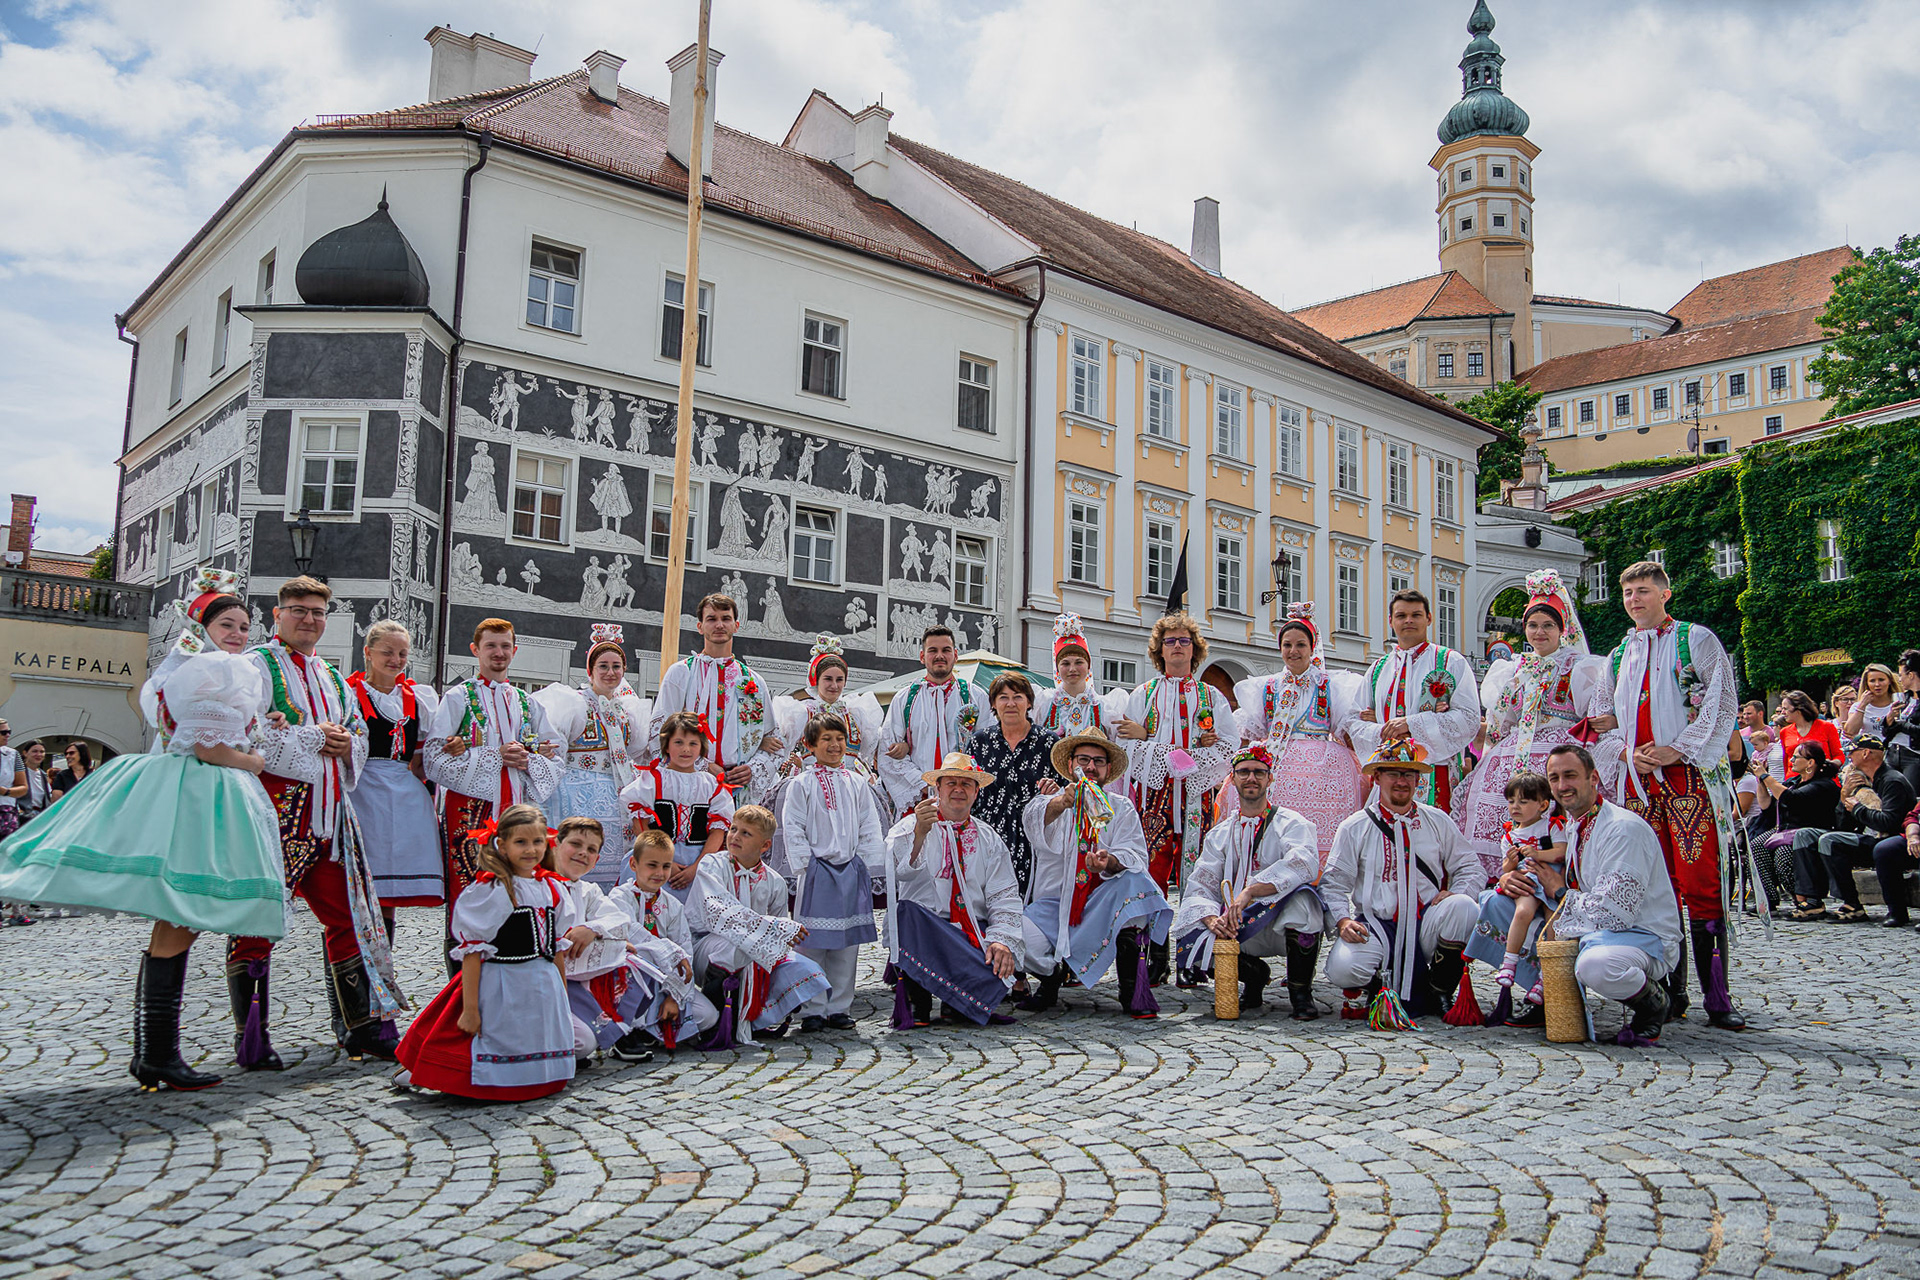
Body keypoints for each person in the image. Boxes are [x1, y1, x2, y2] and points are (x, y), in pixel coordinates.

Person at [0, 567, 286, 1090]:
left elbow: (215, 733)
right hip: (199, 794)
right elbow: (208, 748)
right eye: (227, 624)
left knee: (179, 914)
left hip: (197, 791)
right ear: (203, 627)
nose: (238, 634)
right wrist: (254, 762)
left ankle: (154, 1051)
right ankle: (156, 1053)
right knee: (182, 910)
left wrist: (256, 736)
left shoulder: (205, 668)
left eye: (245, 626)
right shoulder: (210, 670)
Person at [230, 575, 404, 1070]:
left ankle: (361, 1029)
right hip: (276, 814)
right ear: (277, 614)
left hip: (330, 816)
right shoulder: (255, 666)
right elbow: (246, 733)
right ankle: (252, 1038)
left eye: (317, 612)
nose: (309, 619)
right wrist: (313, 738)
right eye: (299, 610)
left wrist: (347, 743)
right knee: (258, 918)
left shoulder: (330, 674)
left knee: (349, 918)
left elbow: (357, 732)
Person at [1591, 560, 1747, 1031]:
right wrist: (1625, 752)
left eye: (1643, 590)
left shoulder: (1694, 639)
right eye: (1627, 592)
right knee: (1654, 887)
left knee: (1702, 885)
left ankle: (1718, 996)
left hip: (1688, 780)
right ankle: (1671, 990)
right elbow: (1600, 719)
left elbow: (1722, 702)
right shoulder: (1618, 653)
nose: (1634, 599)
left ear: (1665, 594)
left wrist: (1676, 749)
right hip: (1638, 786)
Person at [395, 804, 578, 1100]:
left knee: (533, 1036)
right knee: (490, 1038)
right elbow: (473, 952)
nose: (530, 850)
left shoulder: (551, 888)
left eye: (537, 841)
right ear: (502, 846)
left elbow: (555, 948)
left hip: (543, 988)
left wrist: (562, 997)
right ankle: (427, 1072)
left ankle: (536, 1080)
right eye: (521, 842)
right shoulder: (495, 890)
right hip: (504, 984)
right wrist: (470, 1010)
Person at [1517, 745, 1686, 1045]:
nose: (1562, 786)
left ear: (1594, 778)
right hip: (1597, 926)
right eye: (1554, 778)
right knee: (1508, 913)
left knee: (1596, 966)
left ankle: (1655, 1004)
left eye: (1570, 775)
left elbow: (1615, 913)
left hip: (1642, 936)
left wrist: (1559, 891)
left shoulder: (1622, 829)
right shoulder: (1575, 824)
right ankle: (1547, 999)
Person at [1459, 571, 1613, 878]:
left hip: (1560, 752)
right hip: (1512, 752)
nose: (1539, 632)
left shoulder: (1580, 667)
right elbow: (1501, 722)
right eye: (1532, 625)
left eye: (1548, 625)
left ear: (1562, 629)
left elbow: (1594, 719)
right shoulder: (1513, 669)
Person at [1322, 740, 1485, 1021]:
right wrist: (1343, 920)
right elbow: (1334, 882)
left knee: (1464, 907)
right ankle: (1380, 985)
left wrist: (1456, 891)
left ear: (1418, 780)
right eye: (1393, 773)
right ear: (1377, 778)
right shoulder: (1355, 826)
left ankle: (1440, 990)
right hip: (1377, 923)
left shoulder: (1437, 820)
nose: (1401, 781)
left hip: (1426, 921)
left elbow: (1471, 866)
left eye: (1409, 774)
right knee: (1343, 969)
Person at [425, 619, 565, 929]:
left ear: (514, 650)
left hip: (517, 808)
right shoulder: (458, 697)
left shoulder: (528, 702)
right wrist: (493, 757)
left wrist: (529, 759)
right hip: (469, 808)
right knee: (468, 881)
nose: (498, 653)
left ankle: (513, 949)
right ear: (475, 650)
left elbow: (556, 757)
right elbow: (434, 759)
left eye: (505, 646)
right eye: (490, 646)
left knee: (519, 881)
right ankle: (465, 951)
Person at [1018, 732, 1169, 1018]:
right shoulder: (1051, 800)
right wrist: (1062, 802)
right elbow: (1032, 823)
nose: (1090, 767)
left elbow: (1136, 856)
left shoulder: (1121, 806)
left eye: (1098, 761)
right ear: (1070, 765)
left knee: (1135, 881)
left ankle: (1130, 988)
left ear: (1108, 770)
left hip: (1101, 904)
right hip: (1055, 906)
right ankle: (1052, 977)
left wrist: (1109, 862)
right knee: (1016, 939)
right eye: (1084, 759)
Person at [1170, 745, 1325, 1019]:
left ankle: (1301, 993)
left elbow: (1304, 863)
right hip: (1238, 926)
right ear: (1232, 779)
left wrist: (1251, 891)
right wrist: (1211, 920)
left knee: (1305, 901)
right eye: (1243, 772)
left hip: (1280, 924)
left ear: (1270, 778)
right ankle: (1254, 978)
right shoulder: (1220, 834)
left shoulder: (1291, 823)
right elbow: (1201, 885)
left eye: (1258, 772)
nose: (1251, 778)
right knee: (1197, 937)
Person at [1117, 611, 1234, 958]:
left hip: (1198, 796)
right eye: (1170, 641)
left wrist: (1163, 747)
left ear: (1195, 649)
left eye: (1185, 640)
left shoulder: (1212, 696)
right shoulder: (1144, 693)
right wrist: (1172, 751)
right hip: (1154, 797)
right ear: (1160, 650)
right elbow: (1124, 746)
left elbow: (1229, 747)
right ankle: (1153, 957)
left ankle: (1194, 955)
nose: (1178, 646)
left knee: (1199, 873)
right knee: (1152, 871)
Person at [883, 753, 1025, 1027]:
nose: (958, 789)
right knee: (905, 914)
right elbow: (899, 873)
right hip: (927, 929)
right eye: (951, 783)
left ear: (976, 792)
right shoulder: (912, 825)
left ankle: (957, 1002)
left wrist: (1001, 940)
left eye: (966, 784)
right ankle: (918, 999)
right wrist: (920, 833)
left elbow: (1004, 894)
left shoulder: (989, 838)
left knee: (995, 957)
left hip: (971, 931)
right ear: (938, 788)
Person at [1231, 601, 1366, 864]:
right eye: (1287, 645)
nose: (1293, 651)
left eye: (1300, 645)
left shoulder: (1329, 685)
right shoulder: (1267, 687)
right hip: (1276, 765)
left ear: (1312, 648)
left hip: (1324, 770)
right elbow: (1247, 732)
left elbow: (1347, 730)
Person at [685, 806, 830, 1046]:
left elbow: (779, 939)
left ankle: (758, 1017)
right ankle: (717, 1022)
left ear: (765, 845)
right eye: (733, 829)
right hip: (705, 945)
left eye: (746, 833)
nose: (735, 836)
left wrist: (777, 934)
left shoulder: (775, 881)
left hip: (754, 954)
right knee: (735, 948)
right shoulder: (711, 865)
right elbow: (717, 911)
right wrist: (772, 926)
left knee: (804, 967)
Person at [784, 715, 886, 1032]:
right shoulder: (801, 784)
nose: (834, 745)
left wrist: (865, 863)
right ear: (810, 745)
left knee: (845, 944)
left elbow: (869, 824)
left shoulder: (857, 783)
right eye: (826, 739)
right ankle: (812, 1007)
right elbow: (793, 825)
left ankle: (840, 1006)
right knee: (811, 943)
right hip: (816, 870)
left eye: (839, 739)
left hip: (850, 868)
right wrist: (806, 864)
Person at [1348, 590, 1483, 824]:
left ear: (1429, 618)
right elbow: (1353, 722)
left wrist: (1411, 724)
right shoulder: (1378, 669)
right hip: (1387, 774)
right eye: (1401, 616)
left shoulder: (1450, 661)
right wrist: (1385, 732)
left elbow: (1469, 718)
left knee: (1434, 836)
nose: (1408, 620)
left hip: (1435, 773)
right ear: (1391, 621)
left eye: (1416, 615)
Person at [532, 623, 651, 887]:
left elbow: (637, 752)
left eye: (616, 666)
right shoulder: (573, 703)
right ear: (590, 671)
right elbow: (551, 745)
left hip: (618, 795)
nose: (610, 672)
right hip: (578, 795)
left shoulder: (627, 709)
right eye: (603, 666)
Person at [646, 593, 782, 807]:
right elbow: (659, 733)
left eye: (726, 619)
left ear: (736, 625)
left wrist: (752, 769)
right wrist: (702, 765)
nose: (719, 625)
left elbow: (773, 741)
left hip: (738, 791)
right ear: (700, 627)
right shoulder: (681, 673)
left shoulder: (753, 680)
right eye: (711, 619)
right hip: (689, 781)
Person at [346, 621, 444, 915]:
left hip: (405, 799)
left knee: (390, 891)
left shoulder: (418, 698)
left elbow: (421, 760)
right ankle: (348, 945)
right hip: (362, 790)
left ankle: (384, 945)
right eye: (387, 652)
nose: (396, 660)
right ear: (368, 652)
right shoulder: (349, 694)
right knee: (354, 887)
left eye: (402, 653)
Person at [545, 817, 660, 1061]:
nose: (583, 853)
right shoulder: (542, 886)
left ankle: (620, 1030)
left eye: (591, 850)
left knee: (637, 962)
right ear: (555, 844)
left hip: (577, 974)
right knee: (582, 1043)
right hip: (548, 977)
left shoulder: (588, 890)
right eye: (575, 844)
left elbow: (619, 920)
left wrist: (592, 929)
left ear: (596, 859)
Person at [607, 830, 720, 1056]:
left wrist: (673, 996)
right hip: (628, 982)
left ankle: (649, 1030)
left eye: (666, 866)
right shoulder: (619, 897)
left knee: (708, 1016)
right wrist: (670, 952)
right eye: (652, 865)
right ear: (633, 864)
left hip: (664, 983)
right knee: (642, 954)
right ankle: (624, 1032)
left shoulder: (673, 906)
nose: (659, 873)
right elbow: (632, 932)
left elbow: (685, 950)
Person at [1786, 734, 1916, 923]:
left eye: (1852, 752)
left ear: (1866, 753)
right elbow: (1842, 826)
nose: (1848, 757)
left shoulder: (1891, 781)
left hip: (1886, 839)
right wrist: (1844, 796)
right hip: (1863, 837)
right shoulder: (1857, 779)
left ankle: (1851, 904)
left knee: (1829, 841)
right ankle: (1812, 901)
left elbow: (1887, 823)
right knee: (1804, 835)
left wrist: (1858, 808)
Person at [621, 712, 734, 901]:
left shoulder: (711, 785)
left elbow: (718, 832)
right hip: (655, 859)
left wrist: (697, 868)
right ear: (666, 745)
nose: (686, 749)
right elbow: (640, 824)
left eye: (693, 743)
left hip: (698, 862)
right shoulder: (653, 780)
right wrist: (664, 863)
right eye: (679, 742)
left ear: (702, 747)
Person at [967, 672, 1062, 896]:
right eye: (1003, 697)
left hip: (1033, 836)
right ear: (993, 704)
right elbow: (969, 787)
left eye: (1017, 697)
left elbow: (1063, 790)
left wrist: (1054, 792)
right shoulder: (979, 742)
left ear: (1029, 702)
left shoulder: (1049, 742)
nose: (1010, 703)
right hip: (989, 835)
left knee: (1030, 899)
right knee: (987, 896)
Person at [877, 626, 981, 817]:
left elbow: (987, 746)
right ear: (922, 656)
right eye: (933, 650)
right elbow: (887, 751)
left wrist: (957, 785)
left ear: (955, 655)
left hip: (962, 800)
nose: (939, 656)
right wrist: (922, 783)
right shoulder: (905, 698)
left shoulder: (975, 696)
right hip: (919, 801)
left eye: (946, 650)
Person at [1484, 771, 1562, 1007]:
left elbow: (1561, 852)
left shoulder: (1552, 826)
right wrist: (1510, 862)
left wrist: (1538, 854)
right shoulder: (1510, 835)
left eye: (1523, 801)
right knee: (1523, 912)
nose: (1515, 807)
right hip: (1528, 882)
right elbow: (1506, 868)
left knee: (1554, 922)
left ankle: (1546, 977)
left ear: (1543, 805)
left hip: (1551, 880)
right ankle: (1509, 962)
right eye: (1511, 801)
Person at [774, 635, 884, 771]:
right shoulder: (802, 713)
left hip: (850, 781)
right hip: (813, 780)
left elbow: (883, 743)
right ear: (816, 680)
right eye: (828, 679)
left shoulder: (857, 712)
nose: (834, 685)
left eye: (839, 680)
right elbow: (776, 744)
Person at [1759, 742, 1842, 915]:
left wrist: (1766, 777)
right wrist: (1760, 780)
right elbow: (1766, 805)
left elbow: (1791, 799)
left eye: (1796, 757)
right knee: (1757, 846)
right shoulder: (1794, 781)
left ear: (1810, 762)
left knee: (1783, 853)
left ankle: (1804, 899)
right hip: (1785, 831)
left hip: (1809, 833)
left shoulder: (1823, 785)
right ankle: (1768, 899)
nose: (1792, 760)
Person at [1032, 613, 1124, 739]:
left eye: (1079, 662)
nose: (1072, 669)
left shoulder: (1106, 707)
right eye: (1065, 663)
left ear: (1088, 666)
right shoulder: (1044, 703)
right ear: (1057, 668)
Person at [1775, 691, 1842, 767]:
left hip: (1822, 773)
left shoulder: (1827, 727)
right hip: (1793, 774)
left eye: (1785, 709)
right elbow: (1786, 763)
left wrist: (1830, 765)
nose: (1782, 712)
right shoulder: (1784, 732)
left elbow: (1839, 756)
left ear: (1799, 709)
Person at [1846, 665, 1900, 745]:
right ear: (1867, 683)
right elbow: (1850, 731)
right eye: (1872, 681)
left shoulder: (1898, 704)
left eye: (1881, 680)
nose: (1877, 684)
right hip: (1869, 750)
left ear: (1890, 681)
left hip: (1895, 750)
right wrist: (1862, 705)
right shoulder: (1857, 706)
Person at [15, 740, 53, 823]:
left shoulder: (43, 775)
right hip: (22, 817)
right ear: (25, 753)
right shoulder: (18, 773)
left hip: (40, 817)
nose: (38, 754)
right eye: (34, 751)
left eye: (42, 752)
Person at [0, 719, 23, 841]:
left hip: (6, 812)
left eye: (9, 732)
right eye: (3, 732)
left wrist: (5, 791)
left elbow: (23, 788)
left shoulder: (13, 755)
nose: (7, 735)